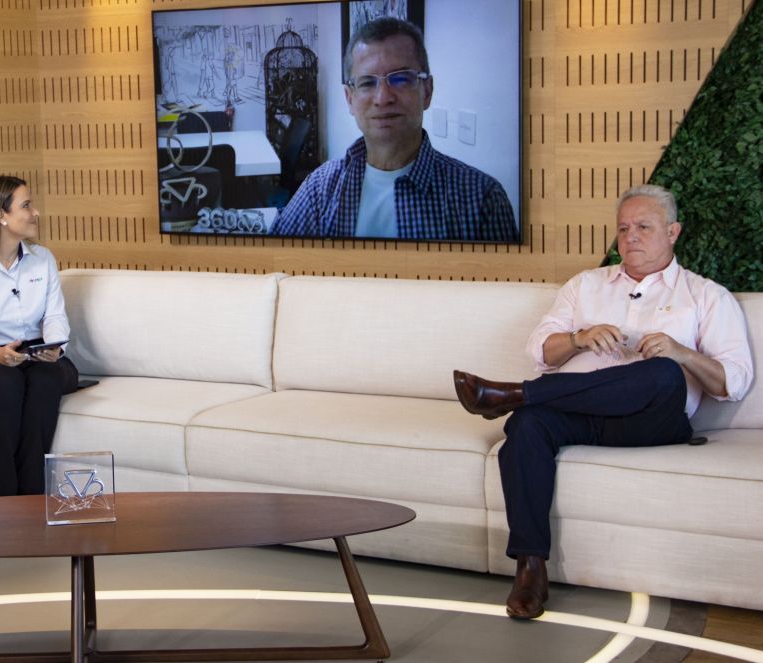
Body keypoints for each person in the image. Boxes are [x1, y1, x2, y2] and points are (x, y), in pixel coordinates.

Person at [452, 184, 753, 619]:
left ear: (673, 232)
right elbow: (539, 350)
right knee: (526, 426)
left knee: (664, 373)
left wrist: (681, 352)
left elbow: (734, 382)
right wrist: (577, 339)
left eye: (644, 227)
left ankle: (514, 394)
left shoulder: (705, 295)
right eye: (624, 228)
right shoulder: (585, 286)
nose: (630, 237)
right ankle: (530, 568)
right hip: (578, 414)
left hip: (651, 422)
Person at [274, 17, 517, 241]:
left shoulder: (482, 200)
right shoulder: (319, 190)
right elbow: (275, 265)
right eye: (368, 82)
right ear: (350, 99)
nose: (383, 98)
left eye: (401, 78)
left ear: (427, 91)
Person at [0, 176, 79, 497]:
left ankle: (34, 498)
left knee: (46, 379)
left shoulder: (43, 258)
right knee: (7, 382)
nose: (35, 213)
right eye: (26, 205)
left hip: (39, 357)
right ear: (1, 215)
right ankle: (1, 501)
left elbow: (54, 316)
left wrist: (57, 348)